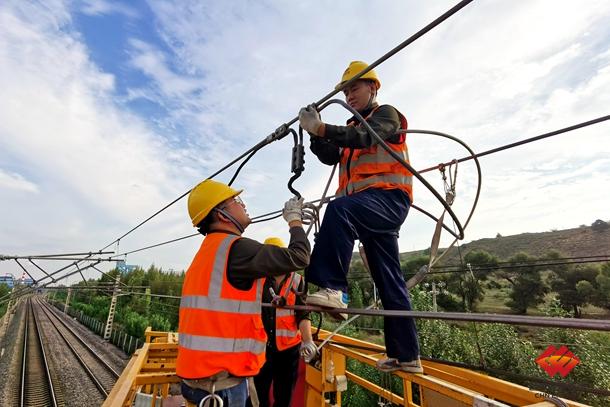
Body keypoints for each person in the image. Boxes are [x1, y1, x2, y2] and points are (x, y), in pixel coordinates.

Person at [297, 61, 422, 374]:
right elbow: (331, 155)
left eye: (354, 87)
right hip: (369, 210)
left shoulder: (386, 115)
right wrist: (316, 134)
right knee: (389, 280)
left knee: (338, 208)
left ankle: (333, 288)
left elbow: (369, 138)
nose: (349, 94)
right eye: (346, 90)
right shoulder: (350, 130)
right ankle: (407, 356)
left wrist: (322, 129)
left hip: (389, 199)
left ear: (373, 87)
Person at [176, 179, 311, 406]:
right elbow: (300, 257)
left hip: (202, 378)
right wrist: (294, 221)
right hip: (220, 387)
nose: (243, 205)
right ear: (221, 214)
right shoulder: (237, 248)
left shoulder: (209, 251)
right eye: (236, 200)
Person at [247, 237, 317, 407]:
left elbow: (303, 314)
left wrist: (307, 341)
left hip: (288, 350)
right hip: (261, 349)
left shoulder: (298, 281)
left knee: (284, 397)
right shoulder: (258, 280)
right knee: (258, 397)